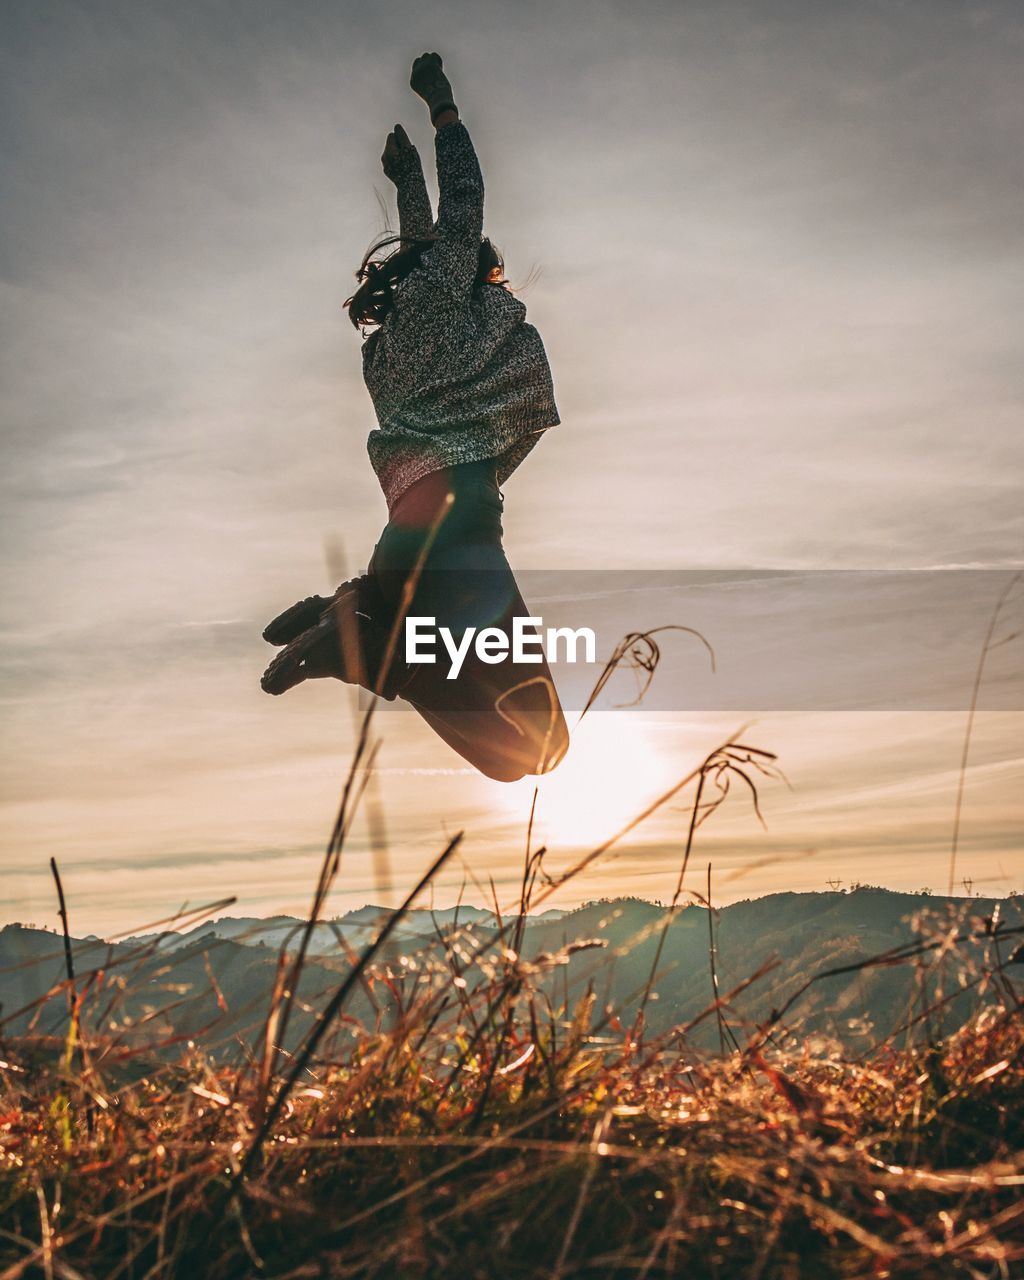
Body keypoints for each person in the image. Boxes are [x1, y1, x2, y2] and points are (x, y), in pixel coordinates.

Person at [260, 53, 569, 783]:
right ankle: (358, 640)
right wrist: (444, 109)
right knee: (540, 746)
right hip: (456, 521)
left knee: (525, 749)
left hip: (406, 534)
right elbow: (463, 202)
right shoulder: (446, 296)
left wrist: (404, 183)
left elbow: (427, 244)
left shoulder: (392, 342)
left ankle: (360, 613)